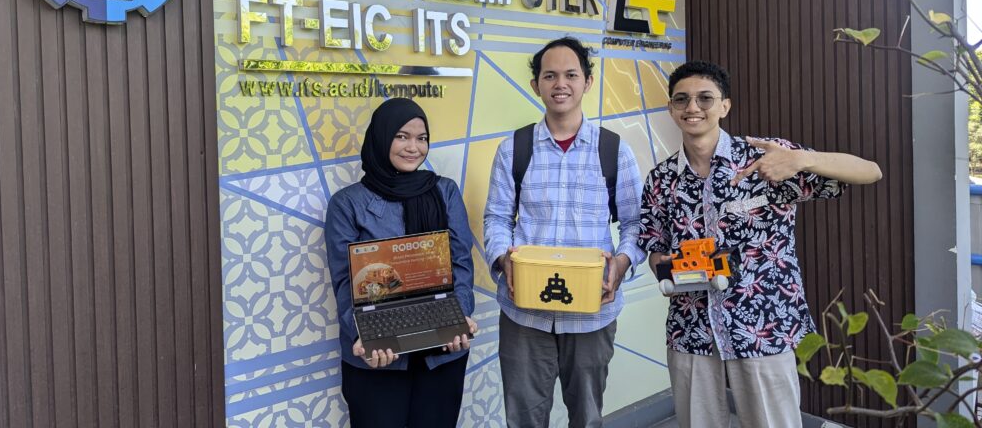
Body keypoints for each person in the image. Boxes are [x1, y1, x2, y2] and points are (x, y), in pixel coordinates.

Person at [641, 61, 883, 428]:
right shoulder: (661, 179)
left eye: (705, 98)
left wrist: (803, 159)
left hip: (762, 323)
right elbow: (655, 247)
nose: (693, 107)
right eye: (682, 99)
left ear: (725, 106)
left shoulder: (768, 159)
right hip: (690, 328)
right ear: (671, 109)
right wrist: (674, 270)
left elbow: (870, 171)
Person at [483, 37, 646, 428]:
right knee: (524, 418)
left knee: (587, 417)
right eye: (550, 75)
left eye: (571, 75)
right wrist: (505, 260)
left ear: (587, 82)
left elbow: (636, 223)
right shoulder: (514, 148)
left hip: (592, 313)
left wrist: (621, 264)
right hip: (524, 314)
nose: (560, 84)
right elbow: (497, 218)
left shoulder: (614, 150)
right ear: (536, 84)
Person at [325, 98, 478, 428]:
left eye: (422, 138)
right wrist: (366, 336)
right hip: (378, 359)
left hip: (442, 353)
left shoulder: (445, 191)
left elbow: (461, 265)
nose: (413, 147)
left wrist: (460, 317)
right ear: (381, 138)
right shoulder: (347, 204)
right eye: (401, 136)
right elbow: (344, 283)